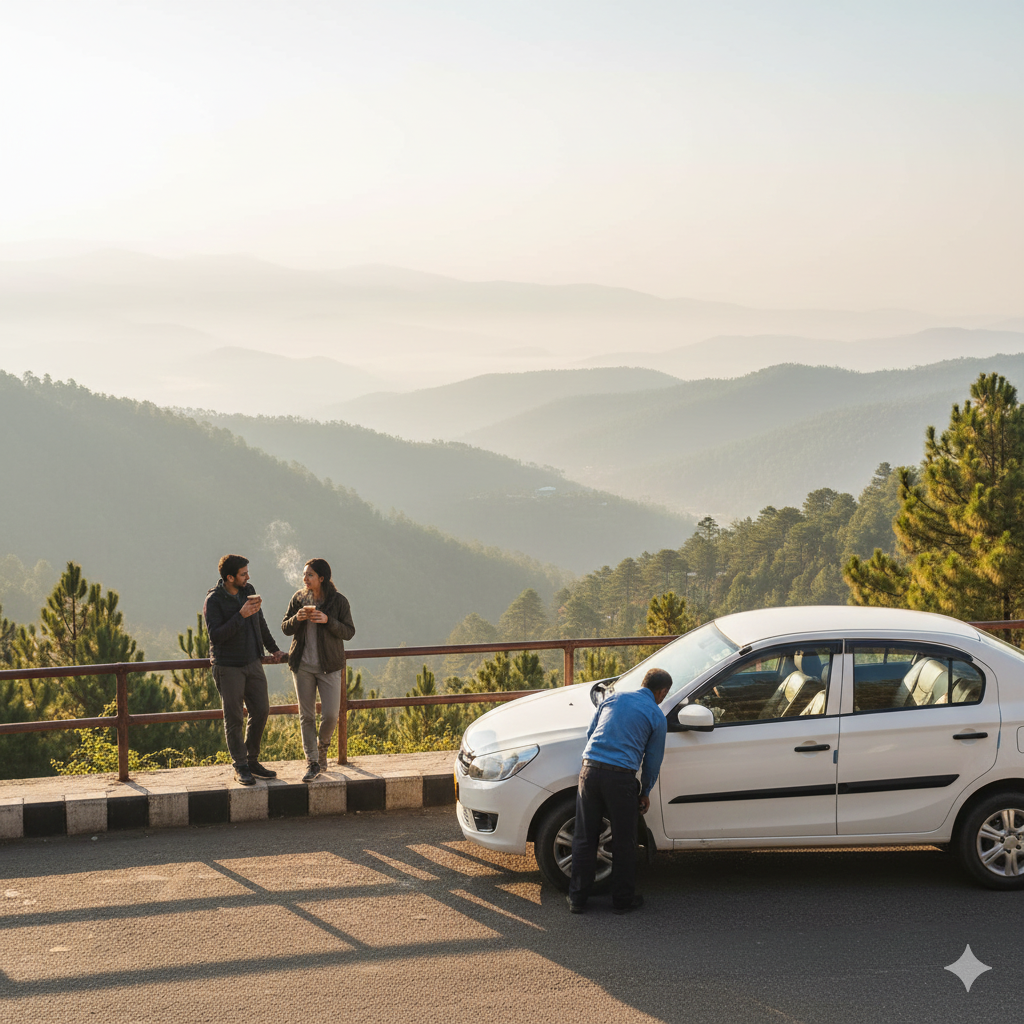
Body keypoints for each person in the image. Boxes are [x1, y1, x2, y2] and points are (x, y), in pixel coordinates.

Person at [568, 666, 672, 915]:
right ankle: (622, 900)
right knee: (625, 841)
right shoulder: (656, 716)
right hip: (620, 778)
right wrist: (645, 790)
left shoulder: (613, 698)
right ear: (662, 691)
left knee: (584, 837)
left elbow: (590, 733)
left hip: (589, 771)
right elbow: (652, 761)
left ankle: (577, 900)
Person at [203, 554, 288, 786]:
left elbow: (260, 622)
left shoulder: (247, 590)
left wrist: (273, 649)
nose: (248, 576)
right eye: (243, 573)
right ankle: (240, 765)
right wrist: (241, 615)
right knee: (234, 718)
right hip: (227, 666)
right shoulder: (214, 600)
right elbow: (216, 636)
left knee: (261, 710)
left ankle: (251, 760)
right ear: (229, 577)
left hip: (253, 661)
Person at [281, 558, 355, 783]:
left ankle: (323, 747)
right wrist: (297, 618)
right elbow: (285, 627)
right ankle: (312, 761)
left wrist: (327, 620)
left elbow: (349, 632)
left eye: (309, 575)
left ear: (321, 578)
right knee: (306, 716)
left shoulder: (339, 602)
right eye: (304, 575)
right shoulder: (298, 598)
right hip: (302, 666)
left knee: (331, 715)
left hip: (329, 667)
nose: (305, 579)